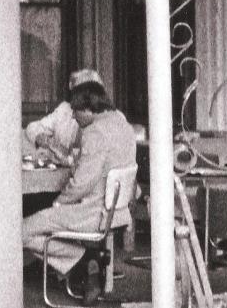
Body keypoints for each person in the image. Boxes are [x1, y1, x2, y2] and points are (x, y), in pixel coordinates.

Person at [22, 81, 136, 305]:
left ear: (88, 108)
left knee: (20, 231)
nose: (73, 116)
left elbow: (82, 183)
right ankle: (89, 261)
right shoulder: (123, 125)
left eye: (75, 111)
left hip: (92, 214)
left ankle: (83, 262)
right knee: (39, 223)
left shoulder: (94, 132)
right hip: (117, 212)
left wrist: (59, 202)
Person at [22, 68, 104, 217]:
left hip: (79, 198)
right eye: (74, 93)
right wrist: (42, 138)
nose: (75, 99)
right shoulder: (64, 109)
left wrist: (65, 157)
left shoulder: (100, 122)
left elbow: (87, 168)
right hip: (59, 188)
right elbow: (32, 127)